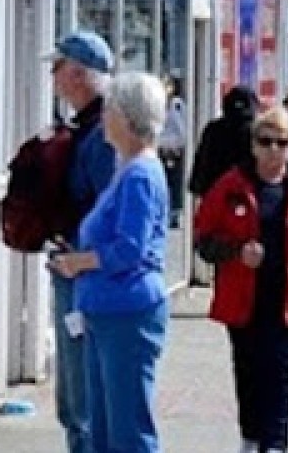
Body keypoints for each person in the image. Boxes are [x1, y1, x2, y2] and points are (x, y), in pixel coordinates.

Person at [196, 107, 288, 453]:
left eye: (282, 142)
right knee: (247, 371)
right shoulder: (231, 185)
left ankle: (275, 444)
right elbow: (203, 239)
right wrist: (236, 251)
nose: (274, 149)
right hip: (244, 299)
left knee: (280, 372)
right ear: (254, 145)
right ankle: (251, 437)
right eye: (266, 141)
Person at [50, 72, 172, 453]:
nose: (104, 118)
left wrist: (79, 263)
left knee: (128, 431)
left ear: (127, 117)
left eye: (111, 110)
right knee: (102, 429)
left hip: (128, 310)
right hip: (105, 309)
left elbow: (129, 249)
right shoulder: (128, 169)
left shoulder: (139, 175)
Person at [47, 30, 117, 453]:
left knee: (83, 402)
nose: (53, 78)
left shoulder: (103, 135)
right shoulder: (86, 128)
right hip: (76, 269)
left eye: (57, 68)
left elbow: (109, 213)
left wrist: (81, 256)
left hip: (86, 275)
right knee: (76, 400)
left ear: (77, 74)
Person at [191, 86, 261, 199]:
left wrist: (198, 186)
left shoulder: (213, 129)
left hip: (215, 191)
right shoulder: (255, 130)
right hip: (245, 194)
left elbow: (202, 159)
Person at [158, 74, 189, 229]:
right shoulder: (158, 105)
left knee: (175, 182)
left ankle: (175, 212)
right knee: (164, 182)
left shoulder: (178, 106)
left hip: (176, 150)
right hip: (161, 149)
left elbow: (183, 128)